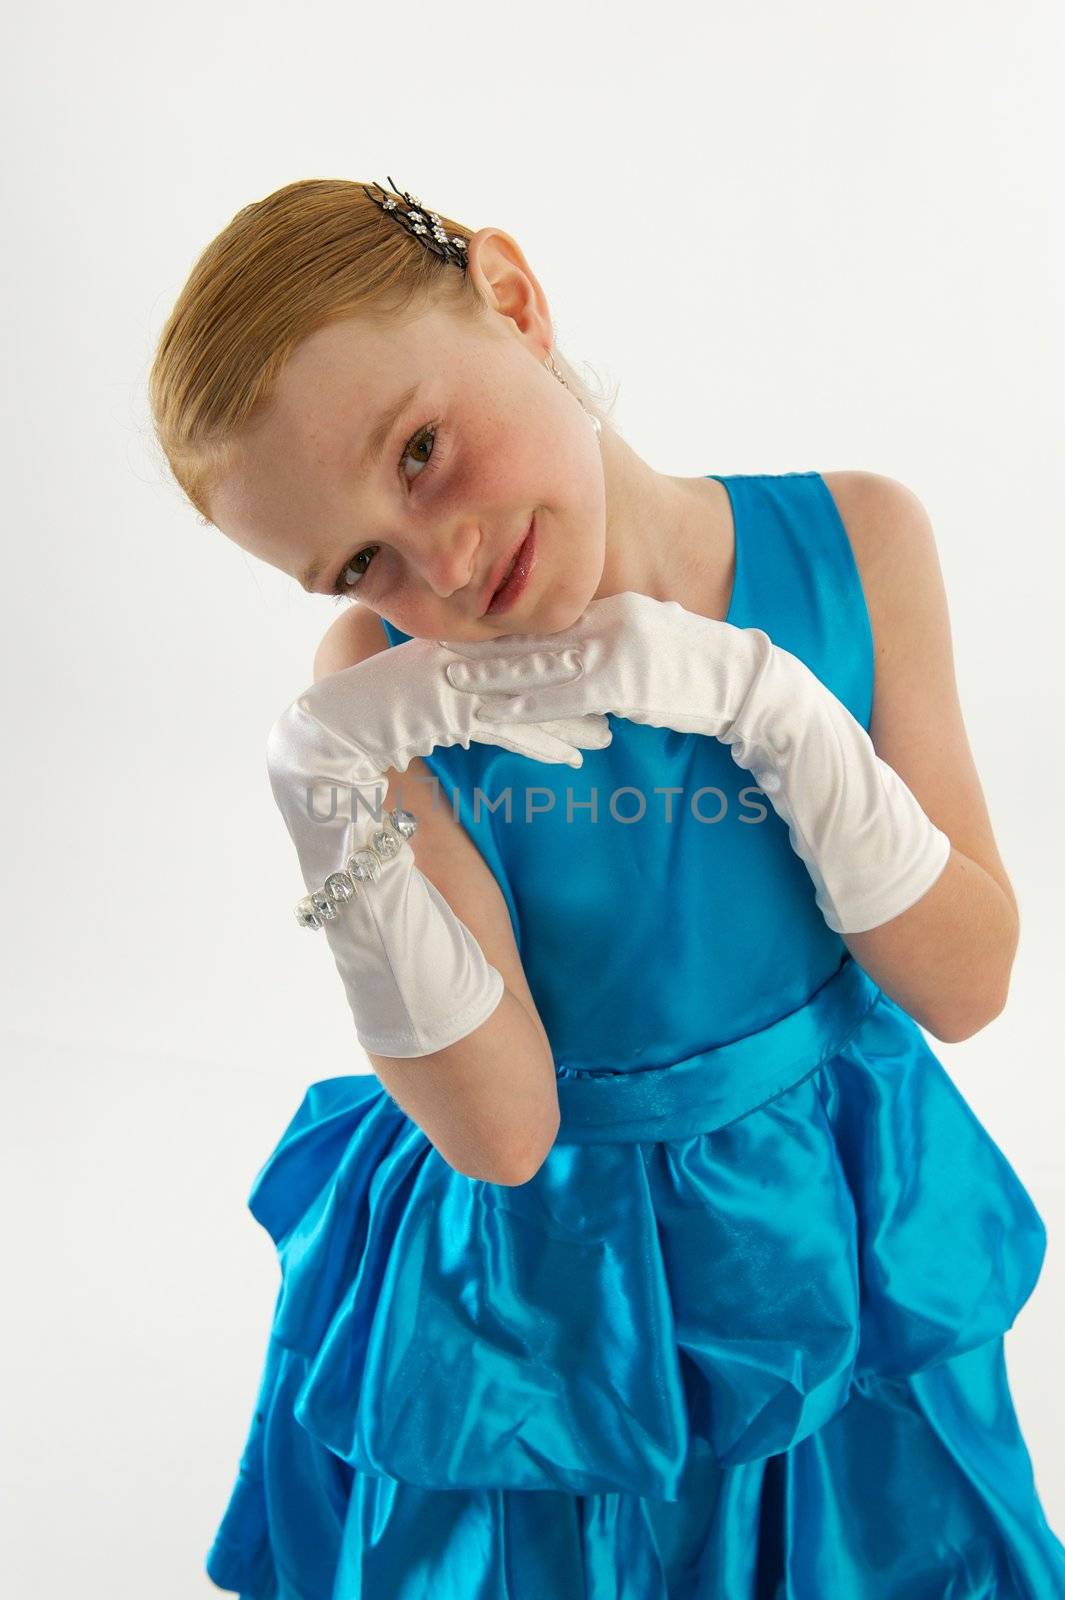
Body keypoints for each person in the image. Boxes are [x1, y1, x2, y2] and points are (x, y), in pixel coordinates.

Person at [149, 176, 1065, 1597]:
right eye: (359, 562)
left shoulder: (856, 541)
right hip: (551, 1284)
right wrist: (330, 800)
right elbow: (504, 1134)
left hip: (829, 1211)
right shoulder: (382, 700)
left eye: (422, 451)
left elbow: (967, 982)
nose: (440, 565)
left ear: (512, 302)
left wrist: (770, 705)